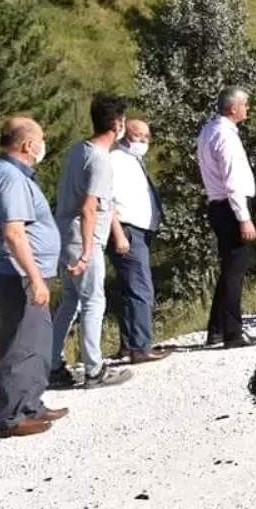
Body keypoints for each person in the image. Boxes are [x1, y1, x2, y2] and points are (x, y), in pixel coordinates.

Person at [0, 117, 67, 437]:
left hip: (24, 273)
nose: (44, 145)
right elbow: (14, 234)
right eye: (40, 139)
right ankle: (9, 417)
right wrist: (35, 278)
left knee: (37, 342)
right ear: (28, 145)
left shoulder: (4, 173)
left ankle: (30, 404)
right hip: (17, 274)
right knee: (20, 345)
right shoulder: (10, 178)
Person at [49, 94, 133, 390]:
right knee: (93, 302)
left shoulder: (77, 151)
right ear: (115, 123)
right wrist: (87, 251)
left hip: (64, 235)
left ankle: (53, 364)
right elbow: (89, 207)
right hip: (84, 239)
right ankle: (94, 369)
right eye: (122, 120)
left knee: (69, 302)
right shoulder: (100, 160)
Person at [196, 86, 256, 349]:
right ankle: (233, 332)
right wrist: (243, 217)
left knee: (228, 268)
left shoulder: (207, 131)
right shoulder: (225, 136)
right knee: (235, 271)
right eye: (245, 104)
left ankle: (216, 328)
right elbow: (232, 180)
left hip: (217, 204)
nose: (248, 108)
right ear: (233, 107)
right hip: (230, 205)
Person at [107, 119, 171, 363]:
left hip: (141, 231)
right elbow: (107, 200)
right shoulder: (115, 160)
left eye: (147, 136)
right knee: (141, 289)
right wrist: (118, 233)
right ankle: (140, 346)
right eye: (138, 135)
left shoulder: (134, 160)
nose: (143, 141)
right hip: (127, 231)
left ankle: (129, 343)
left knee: (131, 289)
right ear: (125, 136)